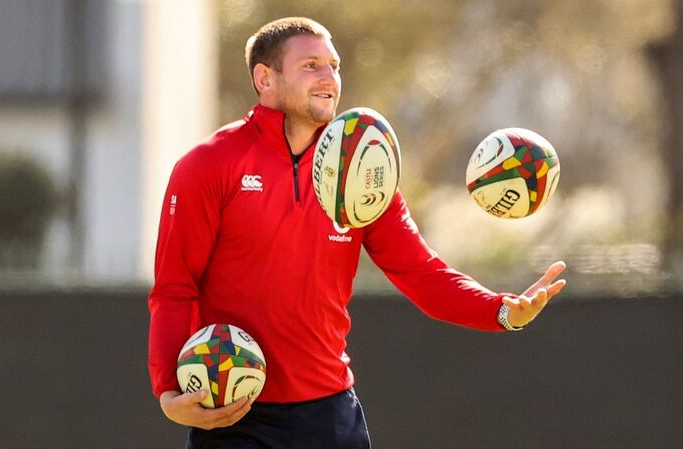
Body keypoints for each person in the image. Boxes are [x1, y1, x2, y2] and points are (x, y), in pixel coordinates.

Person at [148, 16, 567, 449]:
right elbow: (175, 289)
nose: (329, 77)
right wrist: (168, 392)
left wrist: (501, 311)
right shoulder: (209, 165)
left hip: (330, 416)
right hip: (233, 416)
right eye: (311, 65)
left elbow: (421, 273)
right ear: (265, 79)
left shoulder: (364, 170)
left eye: (334, 66)